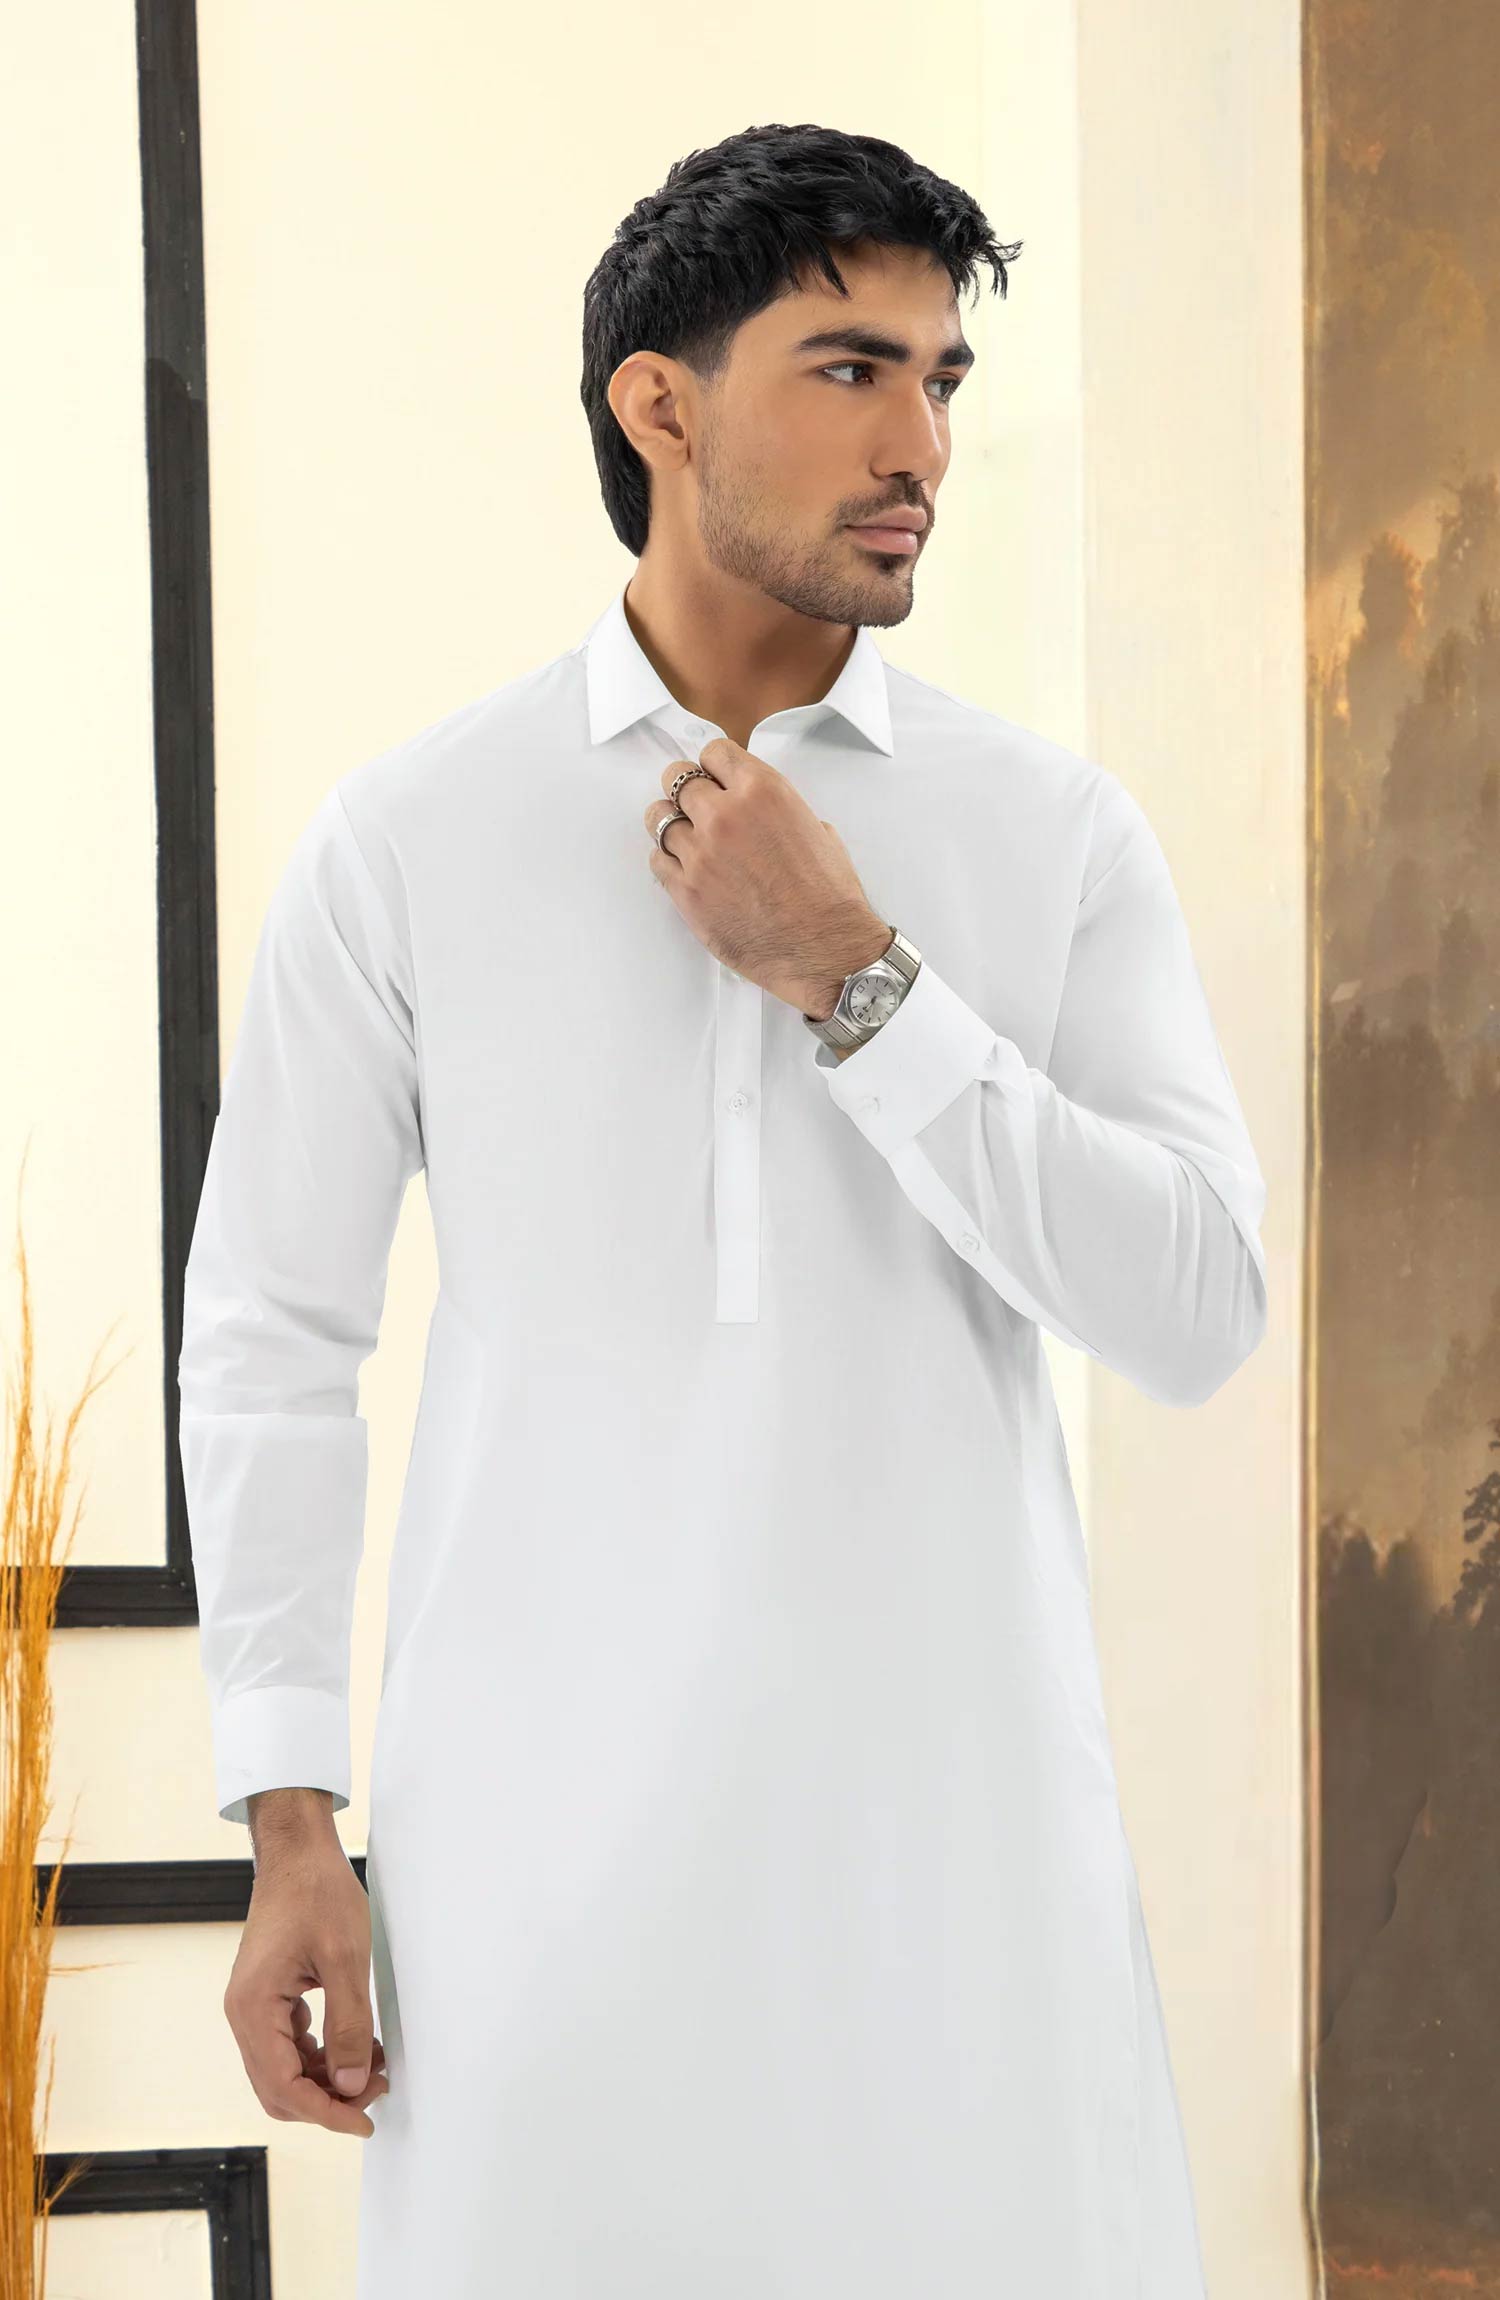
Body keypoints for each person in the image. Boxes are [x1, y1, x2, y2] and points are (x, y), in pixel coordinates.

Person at [177, 121, 1268, 2299]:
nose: (920, 445)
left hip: (966, 1893)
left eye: (943, 380)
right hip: (534, 1897)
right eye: (851, 370)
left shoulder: (1050, 833)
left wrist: (859, 981)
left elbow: (1198, 1307)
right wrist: (291, 1818)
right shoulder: (412, 837)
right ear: (658, 405)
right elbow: (274, 1337)